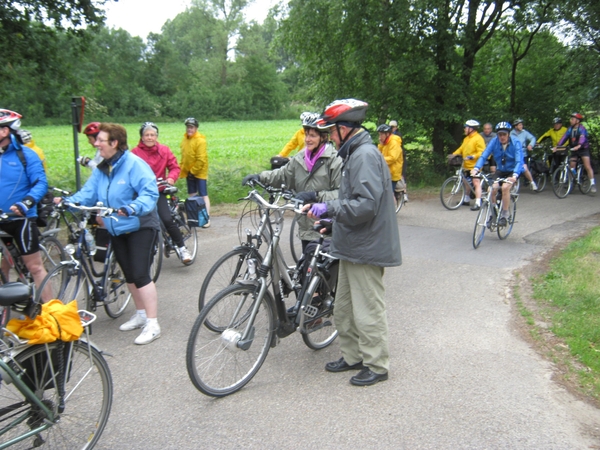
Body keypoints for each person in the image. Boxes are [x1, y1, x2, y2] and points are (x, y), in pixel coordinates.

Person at [306, 98, 402, 387]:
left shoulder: (363, 156)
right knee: (344, 307)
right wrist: (331, 223)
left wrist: (331, 209)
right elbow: (353, 203)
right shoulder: (354, 154)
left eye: (332, 131)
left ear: (346, 129)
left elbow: (365, 206)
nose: (330, 138)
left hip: (367, 248)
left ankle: (376, 364)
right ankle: (353, 356)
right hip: (351, 244)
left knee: (367, 309)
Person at [58, 123, 162, 345]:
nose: (96, 144)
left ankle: (153, 323)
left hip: (140, 224)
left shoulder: (134, 164)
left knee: (141, 274)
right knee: (129, 275)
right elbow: (88, 193)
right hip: (116, 225)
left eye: (100, 140)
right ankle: (141, 314)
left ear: (114, 143)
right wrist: (67, 203)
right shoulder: (103, 169)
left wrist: (133, 207)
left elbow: (149, 192)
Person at [242, 113, 342, 252]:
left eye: (312, 135)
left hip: (326, 227)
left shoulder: (335, 159)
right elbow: (282, 174)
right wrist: (260, 177)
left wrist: (315, 195)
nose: (307, 139)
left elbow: (341, 194)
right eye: (306, 134)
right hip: (305, 225)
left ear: (323, 137)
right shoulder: (300, 158)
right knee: (306, 268)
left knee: (323, 270)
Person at [0, 109, 51, 302]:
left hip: (20, 218)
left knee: (35, 267)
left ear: (5, 131)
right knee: (3, 266)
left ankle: (51, 312)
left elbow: (40, 182)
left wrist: (26, 202)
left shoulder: (26, 155)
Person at [132, 122, 192, 263]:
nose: (150, 137)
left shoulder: (164, 150)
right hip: (141, 193)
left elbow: (174, 167)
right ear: (141, 137)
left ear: (156, 136)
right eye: (146, 135)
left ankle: (182, 249)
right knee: (140, 222)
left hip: (159, 191)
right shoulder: (135, 153)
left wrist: (171, 178)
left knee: (166, 219)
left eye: (152, 135)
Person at [471, 122, 523, 226]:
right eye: (500, 134)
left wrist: (515, 176)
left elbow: (519, 161)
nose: (502, 137)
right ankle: (493, 213)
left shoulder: (516, 142)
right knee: (491, 189)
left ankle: (505, 214)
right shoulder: (494, 141)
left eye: (504, 134)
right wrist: (476, 168)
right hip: (500, 170)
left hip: (512, 171)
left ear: (508, 134)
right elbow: (484, 155)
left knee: (505, 188)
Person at [447, 119, 486, 210]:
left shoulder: (478, 138)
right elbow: (461, 149)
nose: (464, 129)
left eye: (466, 127)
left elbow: (482, 152)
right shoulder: (466, 139)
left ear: (471, 129)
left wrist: (473, 156)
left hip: (475, 165)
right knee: (465, 182)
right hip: (466, 165)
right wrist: (453, 154)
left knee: (476, 182)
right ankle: (466, 199)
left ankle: (478, 202)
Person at [180, 117, 210, 228]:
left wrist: (193, 171)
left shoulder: (200, 140)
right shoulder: (185, 140)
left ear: (196, 128)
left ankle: (206, 218)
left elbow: (201, 159)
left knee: (203, 195)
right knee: (192, 195)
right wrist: (183, 170)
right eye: (188, 127)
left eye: (191, 127)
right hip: (189, 172)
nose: (189, 129)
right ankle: (195, 218)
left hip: (199, 172)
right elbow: (184, 156)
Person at [554, 112, 596, 193]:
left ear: (577, 121)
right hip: (574, 149)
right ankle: (573, 180)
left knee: (587, 166)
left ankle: (592, 183)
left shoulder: (582, 128)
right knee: (571, 166)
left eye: (572, 119)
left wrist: (579, 145)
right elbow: (564, 137)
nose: (571, 120)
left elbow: (582, 138)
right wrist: (558, 146)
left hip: (583, 149)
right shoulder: (570, 129)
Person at [376, 124, 403, 207]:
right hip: (385, 171)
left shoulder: (394, 142)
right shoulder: (384, 143)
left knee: (388, 193)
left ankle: (391, 209)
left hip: (393, 173)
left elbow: (392, 158)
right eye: (379, 134)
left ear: (387, 134)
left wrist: (380, 160)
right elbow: (378, 153)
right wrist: (380, 145)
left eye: (381, 134)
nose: (380, 136)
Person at [511, 118, 538, 191]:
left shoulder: (524, 132)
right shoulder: (511, 133)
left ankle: (532, 182)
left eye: (522, 125)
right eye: (519, 125)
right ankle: (513, 185)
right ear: (515, 126)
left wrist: (530, 145)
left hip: (523, 154)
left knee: (525, 168)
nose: (521, 126)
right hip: (513, 155)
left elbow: (533, 138)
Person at [389, 120, 409, 202]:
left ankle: (405, 194)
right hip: (394, 158)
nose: (392, 128)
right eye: (391, 127)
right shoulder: (389, 135)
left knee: (402, 176)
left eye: (393, 127)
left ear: (396, 127)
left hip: (400, 158)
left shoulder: (398, 136)